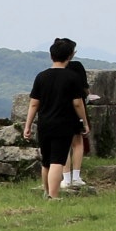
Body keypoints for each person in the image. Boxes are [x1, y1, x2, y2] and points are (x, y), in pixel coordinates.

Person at [31, 38, 93, 198]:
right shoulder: (72, 76)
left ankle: (48, 191)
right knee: (58, 160)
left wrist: (27, 125)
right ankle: (54, 194)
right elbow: (78, 102)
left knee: (46, 162)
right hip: (64, 122)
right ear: (70, 55)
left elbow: (34, 103)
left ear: (51, 55)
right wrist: (84, 122)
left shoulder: (41, 76)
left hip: (44, 123)